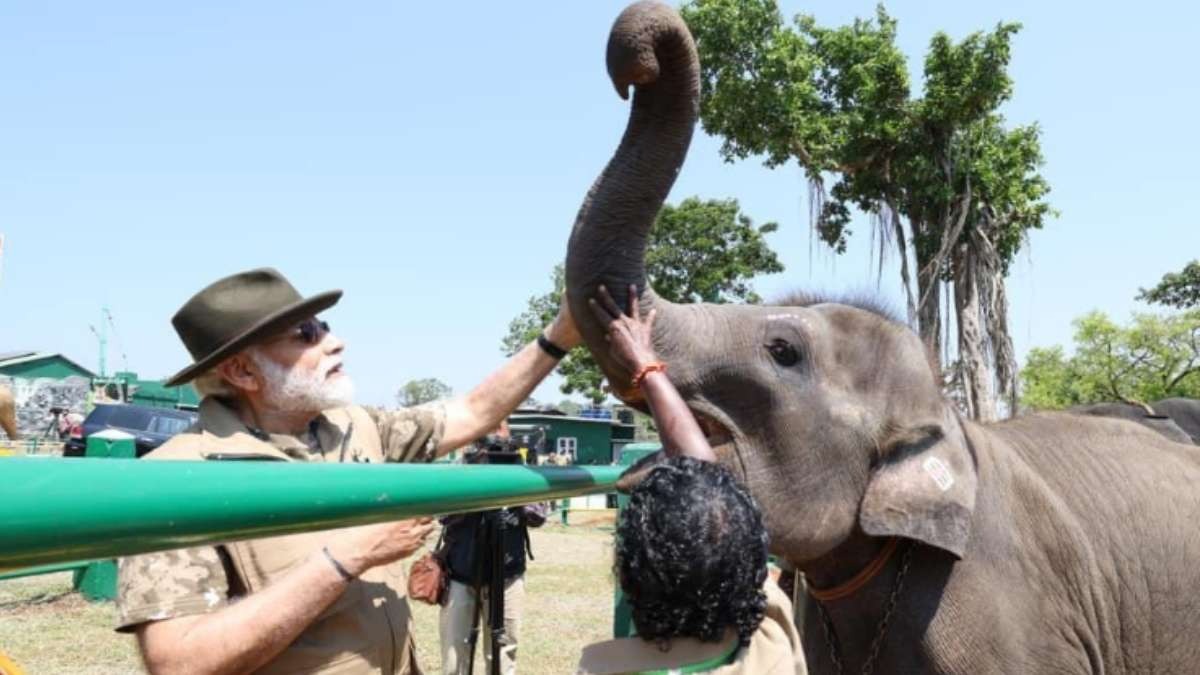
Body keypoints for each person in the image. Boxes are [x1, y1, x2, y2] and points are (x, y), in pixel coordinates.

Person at [113, 267, 579, 675]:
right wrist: (345, 559)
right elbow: (180, 662)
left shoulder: (356, 427)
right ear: (242, 372)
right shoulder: (176, 479)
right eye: (305, 335)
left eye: (324, 326)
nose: (335, 342)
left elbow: (472, 412)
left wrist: (558, 336)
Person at [576, 286, 806, 675]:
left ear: (630, 579)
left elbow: (704, 472)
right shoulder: (771, 646)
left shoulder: (597, 670)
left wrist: (643, 367)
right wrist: (647, 367)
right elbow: (705, 474)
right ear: (750, 570)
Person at [438, 432, 547, 675]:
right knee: (455, 654)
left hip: (507, 575)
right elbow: (441, 514)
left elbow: (539, 516)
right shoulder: (462, 467)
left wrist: (519, 498)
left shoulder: (520, 469)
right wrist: (473, 489)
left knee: (503, 651)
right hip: (461, 572)